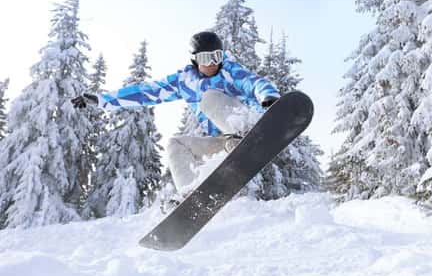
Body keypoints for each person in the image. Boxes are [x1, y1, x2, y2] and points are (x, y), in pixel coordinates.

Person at [72, 31, 280, 194]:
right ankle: (191, 193)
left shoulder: (230, 72)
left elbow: (254, 83)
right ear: (195, 60)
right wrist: (102, 100)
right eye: (205, 58)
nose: (211, 63)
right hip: (225, 143)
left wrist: (268, 97)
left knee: (209, 98)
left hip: (247, 127)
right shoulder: (184, 82)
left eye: (216, 56)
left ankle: (245, 135)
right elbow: (147, 92)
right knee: (176, 143)